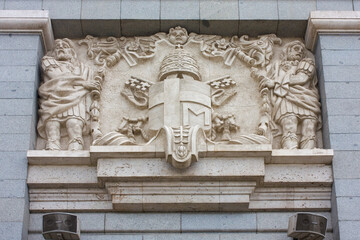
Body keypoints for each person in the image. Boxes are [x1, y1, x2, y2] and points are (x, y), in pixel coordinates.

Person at [37, 38, 101, 150]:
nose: (61, 48)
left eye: (65, 46)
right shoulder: (48, 62)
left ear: (72, 52)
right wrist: (84, 83)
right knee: (52, 126)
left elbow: (89, 86)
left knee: (74, 124)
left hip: (76, 99)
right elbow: (56, 77)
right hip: (53, 99)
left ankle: (76, 149)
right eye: (58, 47)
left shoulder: (83, 68)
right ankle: (52, 149)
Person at [259, 41, 321, 149]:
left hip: (306, 99)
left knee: (309, 127)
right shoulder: (277, 65)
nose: (300, 52)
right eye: (296, 49)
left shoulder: (307, 63)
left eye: (302, 50)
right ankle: (290, 151)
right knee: (289, 125)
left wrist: (274, 83)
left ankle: (308, 153)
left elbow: (302, 78)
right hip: (286, 99)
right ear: (287, 51)